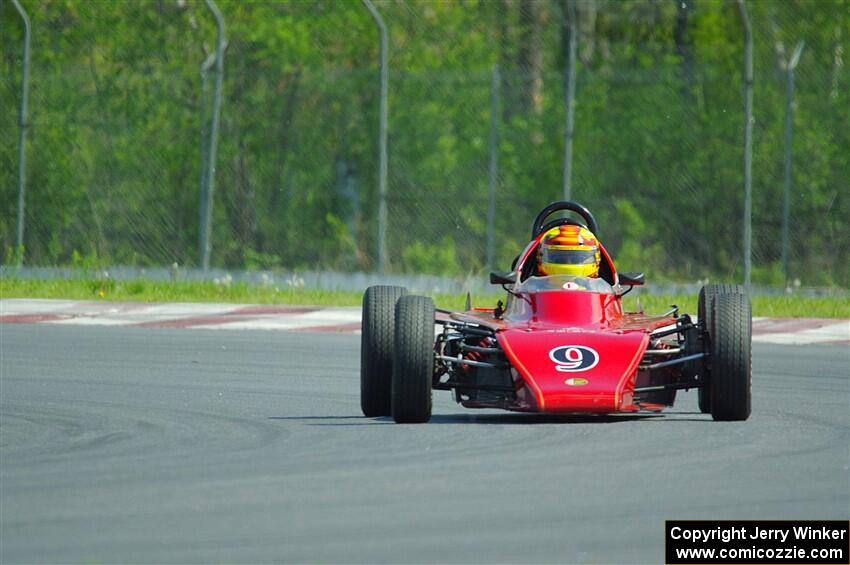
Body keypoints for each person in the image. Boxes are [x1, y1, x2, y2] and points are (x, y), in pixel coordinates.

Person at [537, 224, 601, 277]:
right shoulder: (531, 288)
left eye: (576, 259)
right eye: (560, 259)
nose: (568, 263)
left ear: (597, 258)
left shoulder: (604, 288)